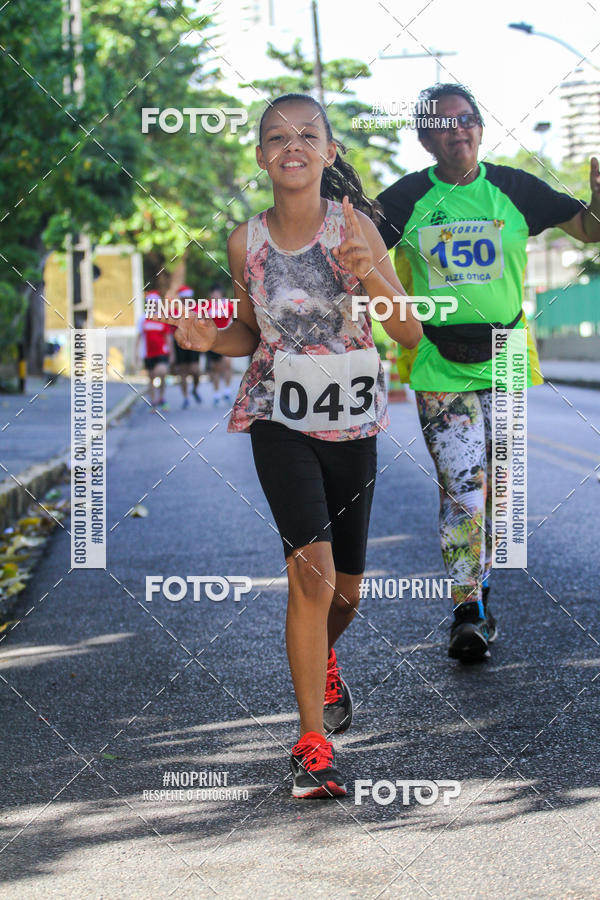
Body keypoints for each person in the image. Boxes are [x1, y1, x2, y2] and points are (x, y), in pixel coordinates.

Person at [154, 93, 422, 798]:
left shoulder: (354, 225)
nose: (292, 145)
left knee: (348, 594)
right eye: (276, 137)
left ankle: (322, 658)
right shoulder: (247, 241)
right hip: (278, 415)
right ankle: (311, 742)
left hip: (353, 423)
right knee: (311, 576)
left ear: (330, 152)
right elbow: (251, 330)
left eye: (308, 135)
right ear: (261, 156)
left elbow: (408, 333)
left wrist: (368, 268)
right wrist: (216, 339)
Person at [376, 83, 599, 663]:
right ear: (425, 138)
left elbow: (589, 229)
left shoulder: (514, 189)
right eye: (444, 124)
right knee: (464, 494)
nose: (459, 130)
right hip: (437, 361)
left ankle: (480, 587)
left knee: (498, 493)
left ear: (480, 125)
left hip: (506, 354)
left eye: (468, 118)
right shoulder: (403, 200)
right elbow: (356, 254)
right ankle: (467, 610)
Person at [137, 290, 173, 410]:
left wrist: (171, 353)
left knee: (161, 372)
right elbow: (139, 337)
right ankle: (153, 401)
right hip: (148, 353)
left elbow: (168, 337)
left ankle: (162, 397)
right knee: (151, 377)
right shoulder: (143, 318)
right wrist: (136, 353)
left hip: (162, 351)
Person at [204, 282, 234, 406]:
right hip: (213, 340)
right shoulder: (207, 306)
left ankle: (227, 390)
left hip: (226, 338)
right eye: (213, 293)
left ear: (221, 293)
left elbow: (235, 320)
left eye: (217, 292)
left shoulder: (229, 305)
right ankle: (216, 393)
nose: (215, 295)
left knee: (227, 364)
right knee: (215, 368)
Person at [172, 285, 202, 409]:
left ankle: (194, 389)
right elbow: (171, 331)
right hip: (180, 343)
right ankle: (185, 398)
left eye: (188, 298)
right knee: (183, 371)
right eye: (183, 299)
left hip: (194, 342)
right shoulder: (174, 311)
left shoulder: (197, 310)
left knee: (195, 370)